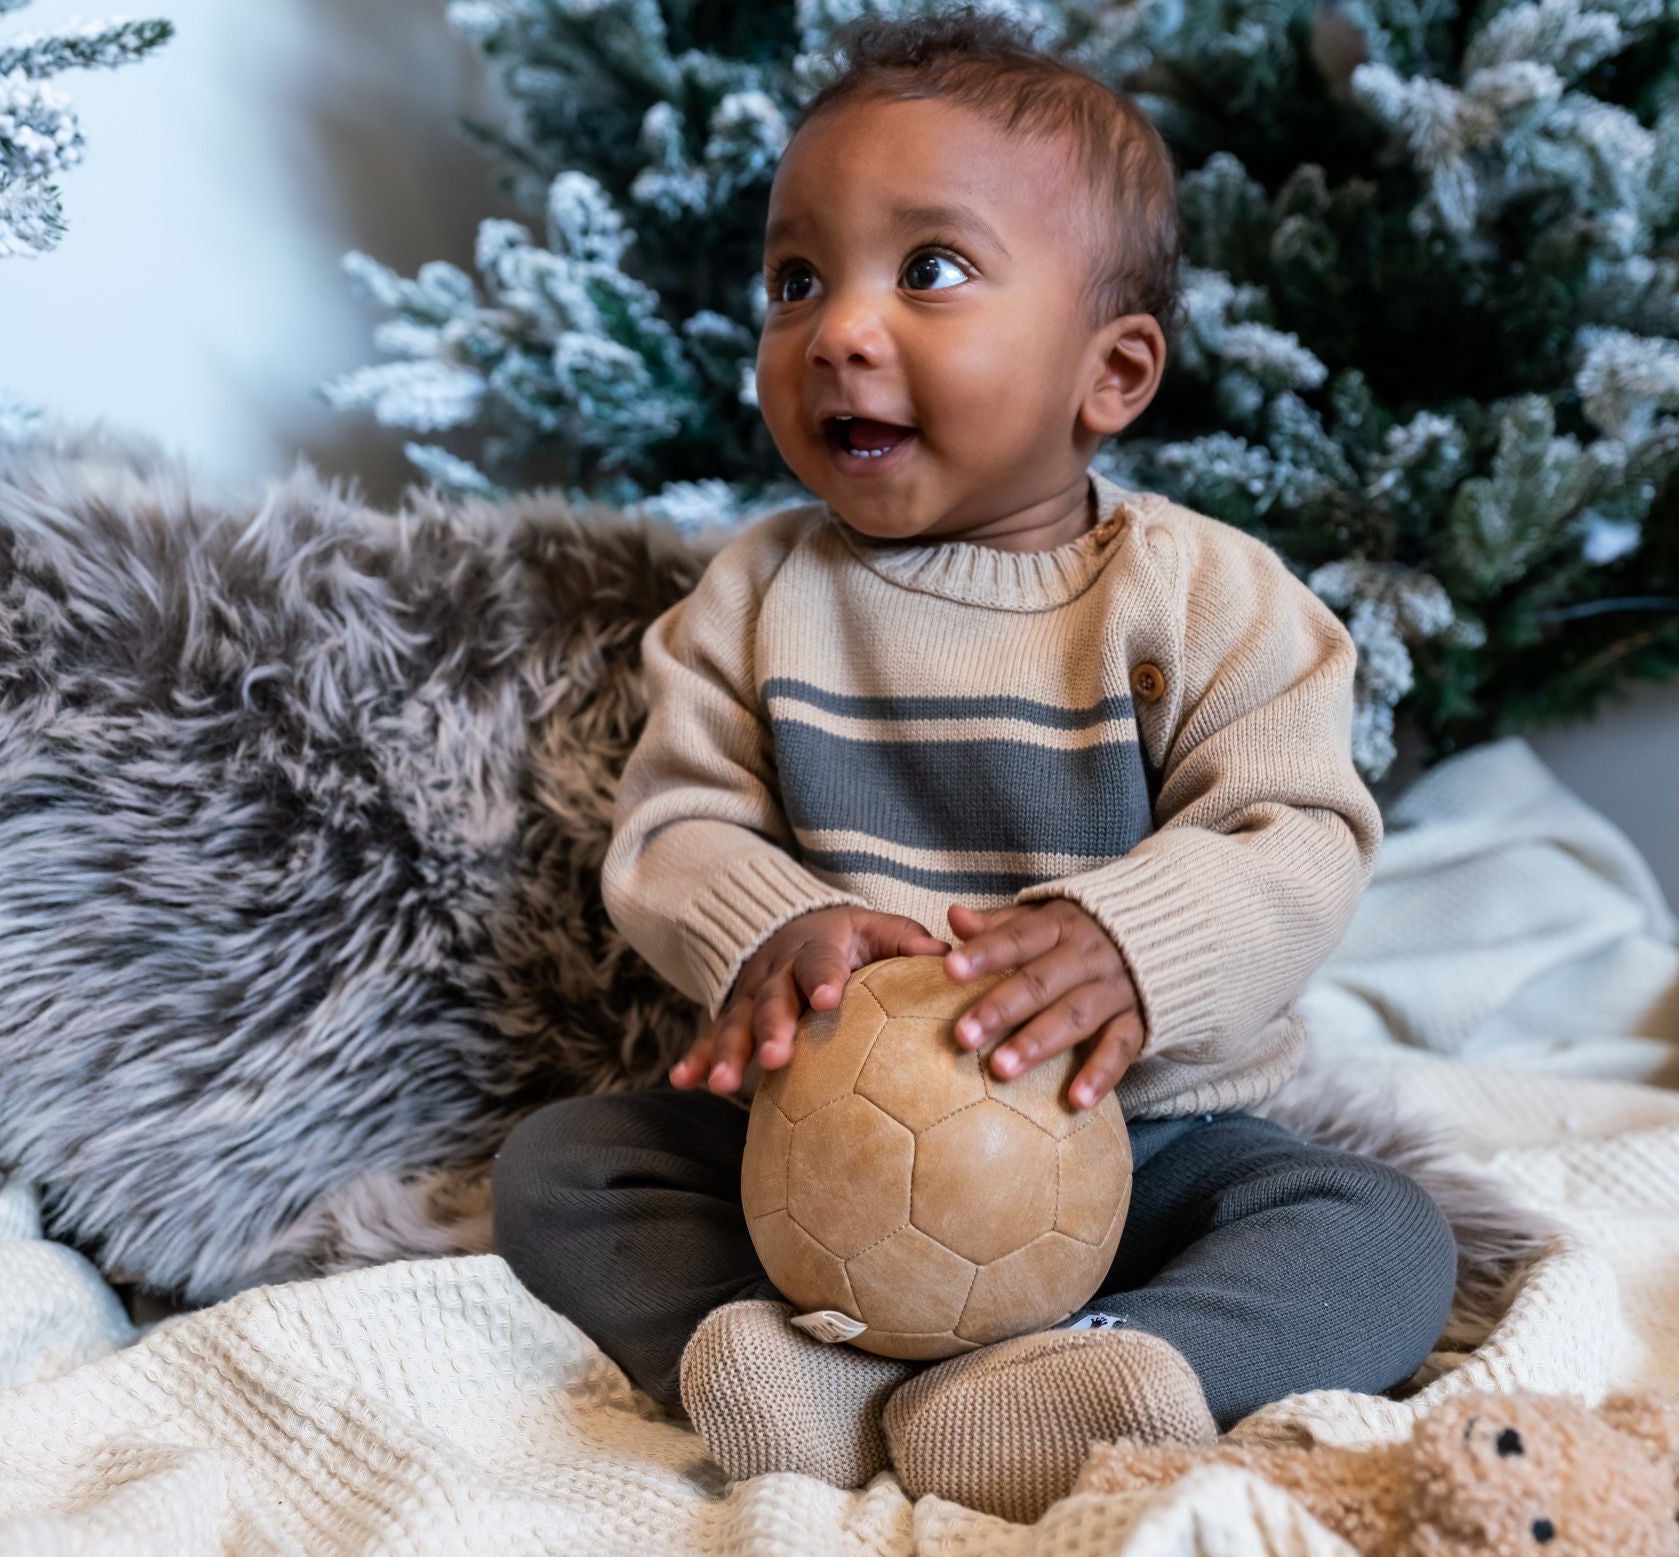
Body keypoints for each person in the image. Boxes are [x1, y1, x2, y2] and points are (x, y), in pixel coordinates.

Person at [491, 7, 1457, 1523]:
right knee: (562, 1169)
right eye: (795, 279)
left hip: (1150, 1142)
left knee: (1378, 1236)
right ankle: (795, 1372)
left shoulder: (1205, 598)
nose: (840, 329)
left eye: (926, 270)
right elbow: (673, 819)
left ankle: (1102, 1366)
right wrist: (769, 928)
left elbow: (1297, 829)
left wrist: (1136, 942)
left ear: (1111, 373)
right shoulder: (754, 600)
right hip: (820, 1168)